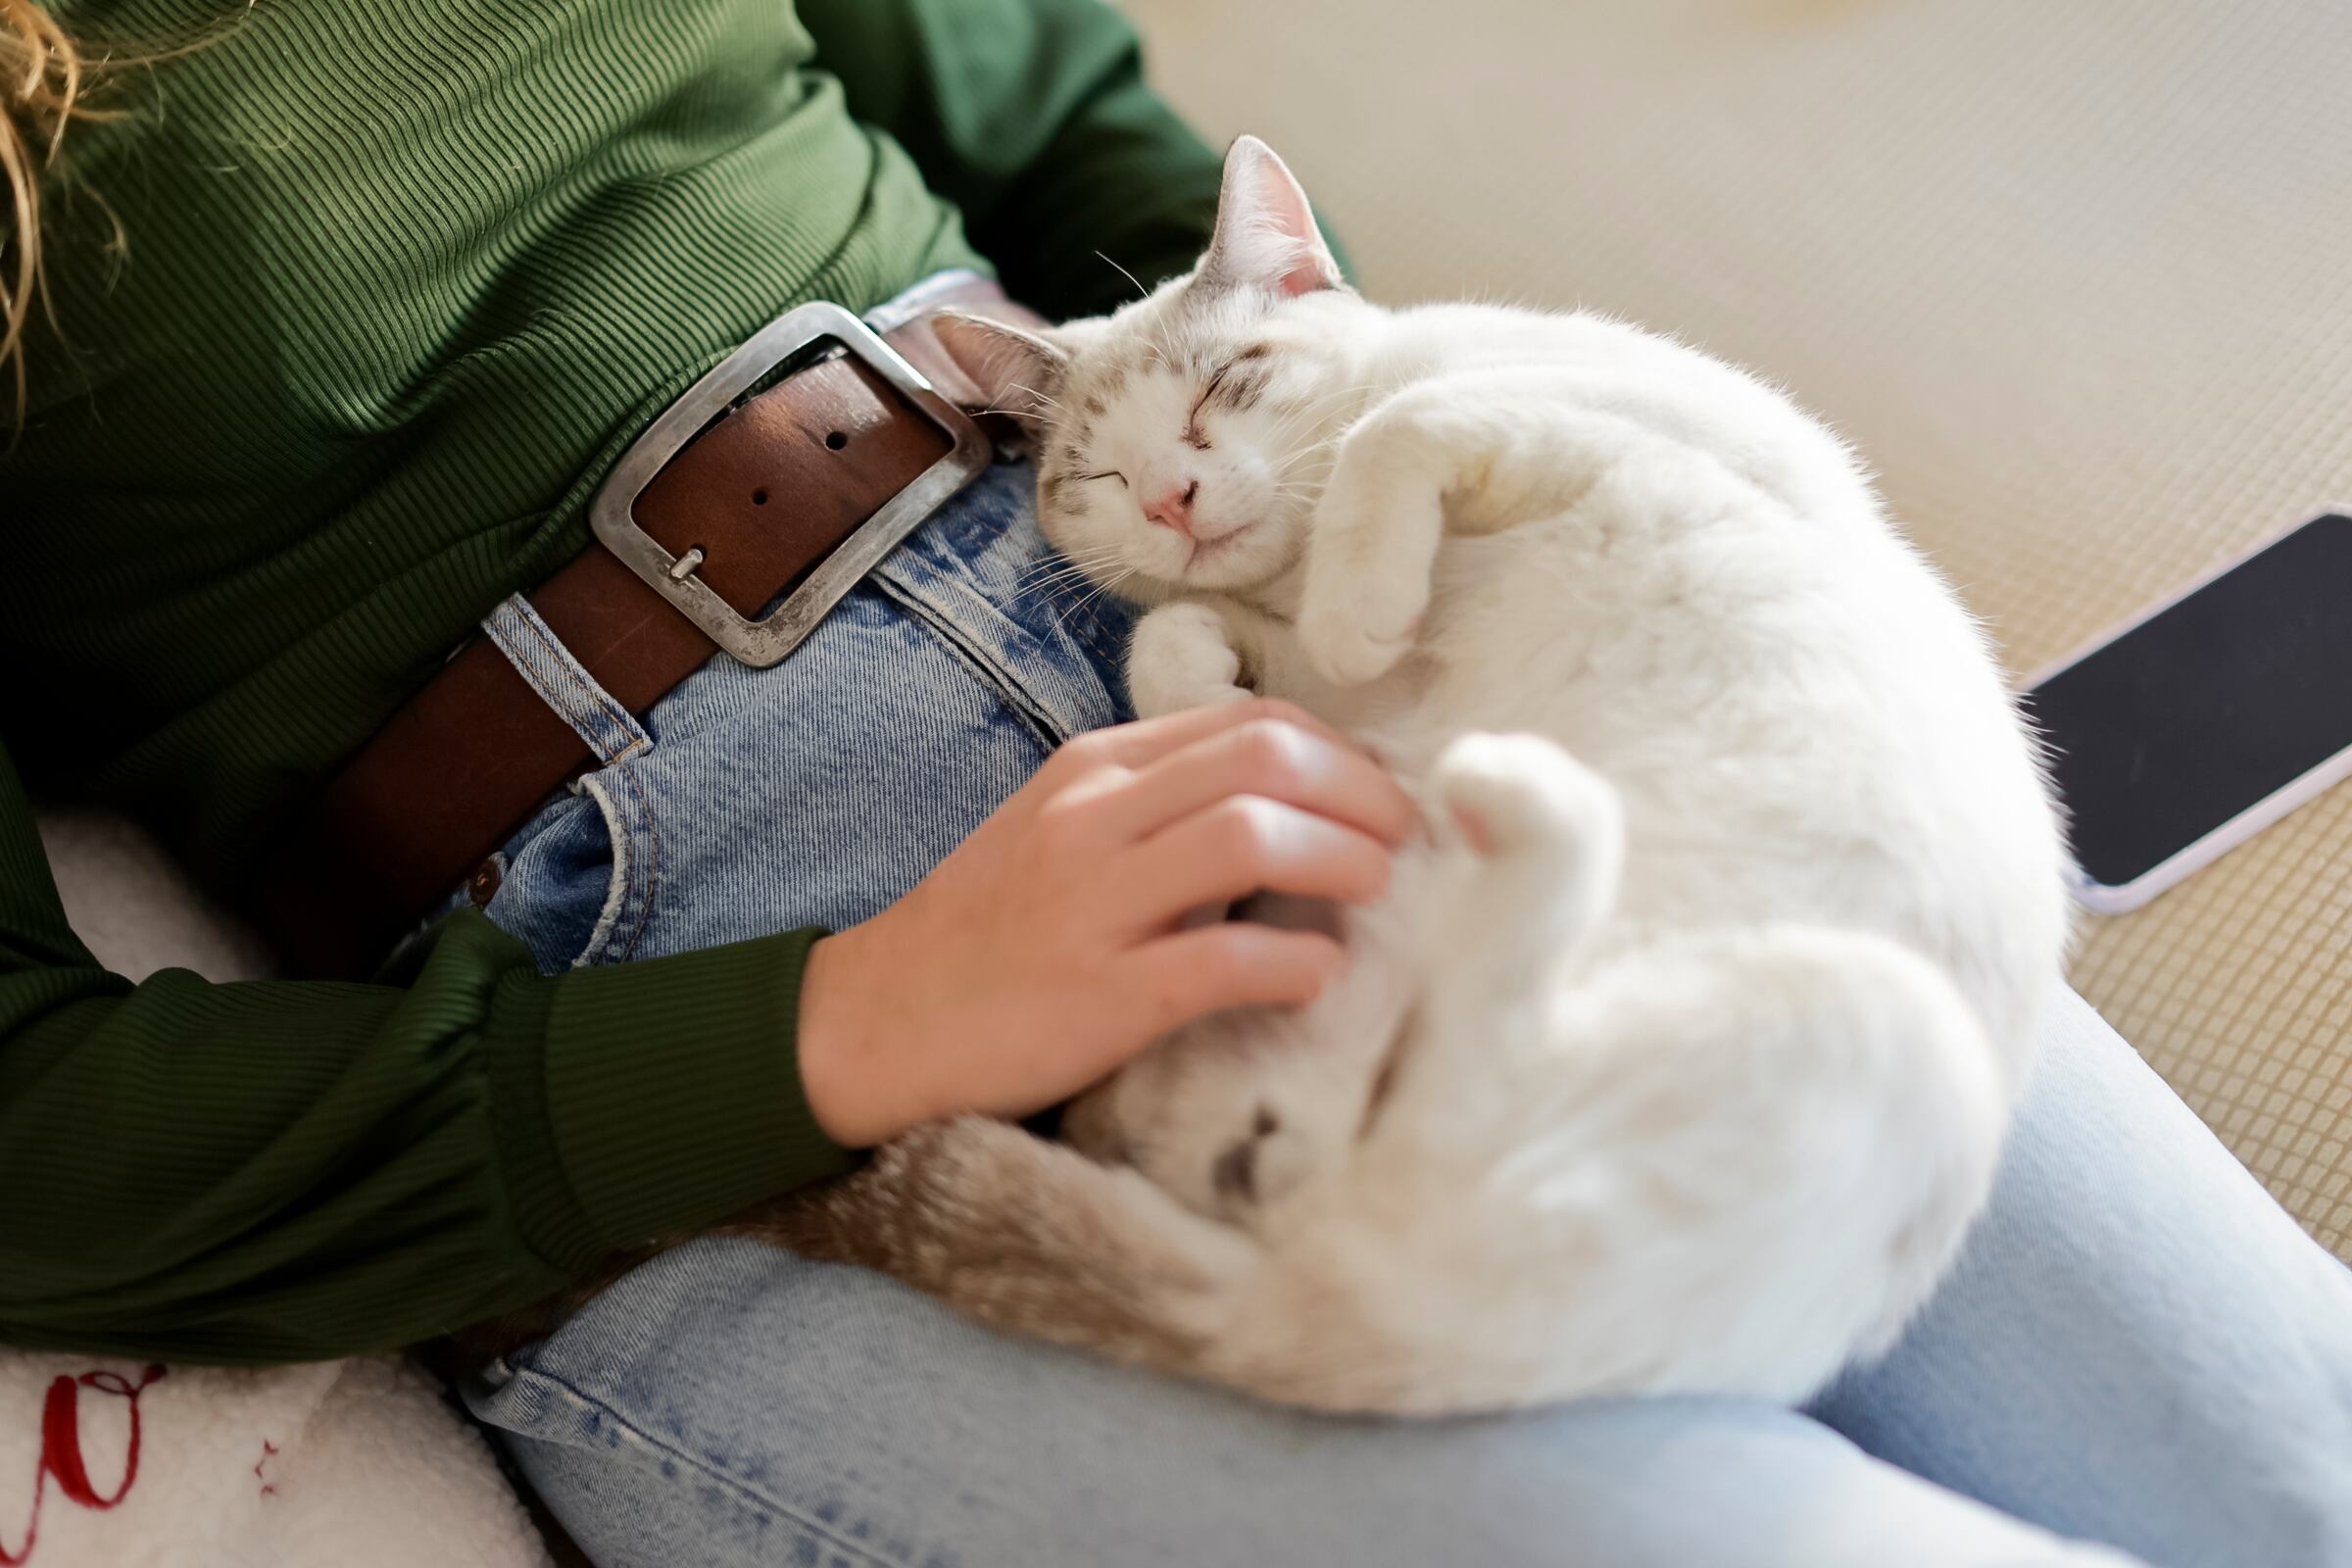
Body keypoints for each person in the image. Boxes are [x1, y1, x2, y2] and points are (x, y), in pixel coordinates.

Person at [1, 3, 2345, 1564]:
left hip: (1347, 627)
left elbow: (1068, 142)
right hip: (723, 1009)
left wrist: (1436, 468)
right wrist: (854, 1025)